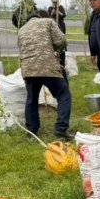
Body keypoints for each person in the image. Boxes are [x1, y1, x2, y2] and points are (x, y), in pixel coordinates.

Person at [18, 9, 72, 141]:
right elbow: (62, 41)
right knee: (63, 94)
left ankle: (31, 131)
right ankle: (60, 129)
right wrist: (53, 48)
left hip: (28, 69)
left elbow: (21, 49)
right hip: (47, 66)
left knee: (31, 99)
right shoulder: (48, 22)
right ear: (39, 16)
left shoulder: (22, 30)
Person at [48, 0, 67, 67]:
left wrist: (58, 11)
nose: (55, 3)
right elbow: (49, 16)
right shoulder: (50, 8)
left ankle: (63, 49)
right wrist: (53, 10)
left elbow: (64, 15)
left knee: (61, 37)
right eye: (54, 2)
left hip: (61, 24)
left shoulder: (61, 7)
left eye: (56, 2)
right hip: (53, 24)